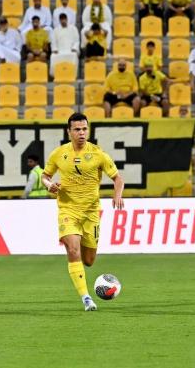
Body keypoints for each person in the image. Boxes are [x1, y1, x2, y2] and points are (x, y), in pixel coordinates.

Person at [41, 112, 124, 312]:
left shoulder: (98, 154)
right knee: (72, 249)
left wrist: (117, 194)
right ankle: (86, 298)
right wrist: (49, 185)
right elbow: (45, 176)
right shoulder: (59, 154)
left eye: (84, 129)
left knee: (88, 260)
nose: (81, 133)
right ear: (69, 132)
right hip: (68, 209)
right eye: (77, 129)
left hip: (91, 213)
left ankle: (88, 288)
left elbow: (117, 178)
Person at [51, 13, 80, 77]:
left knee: (74, 56)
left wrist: (74, 48)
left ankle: (72, 75)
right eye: (61, 20)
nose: (63, 21)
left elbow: (77, 41)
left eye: (64, 19)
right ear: (59, 20)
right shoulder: (56, 30)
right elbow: (54, 42)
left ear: (67, 19)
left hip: (70, 50)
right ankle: (57, 75)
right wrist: (55, 49)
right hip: (59, 51)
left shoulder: (73, 28)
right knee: (53, 56)